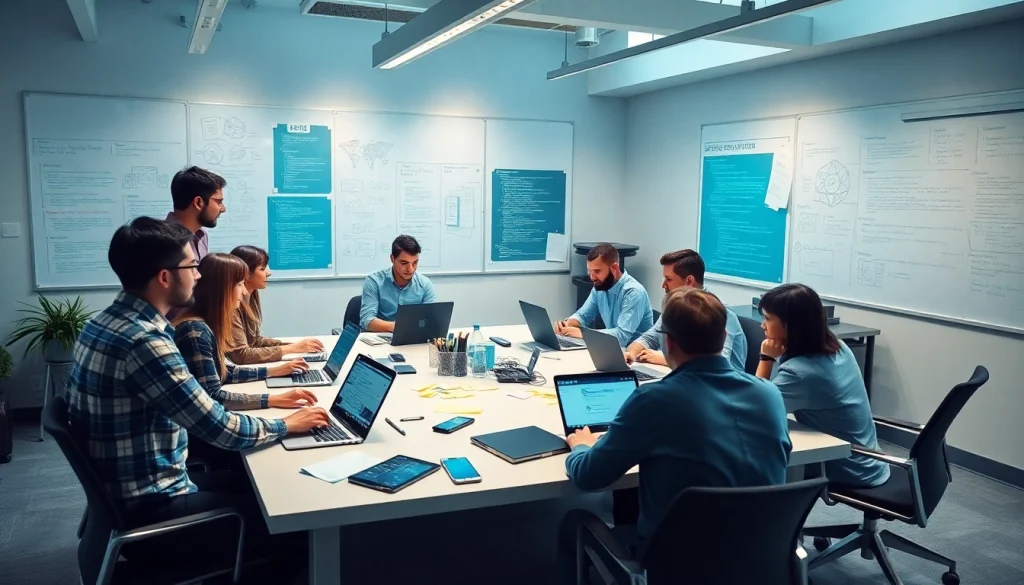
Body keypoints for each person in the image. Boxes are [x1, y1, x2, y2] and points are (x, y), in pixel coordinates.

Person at [65, 217, 328, 582]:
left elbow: (208, 389)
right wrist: (286, 425)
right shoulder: (145, 342)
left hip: (124, 495)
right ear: (164, 277)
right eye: (191, 266)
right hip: (156, 507)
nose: (199, 275)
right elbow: (219, 427)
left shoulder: (102, 324)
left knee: (264, 482)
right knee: (297, 514)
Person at [557, 288, 791, 584]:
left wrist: (581, 448)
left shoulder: (652, 401)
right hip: (762, 557)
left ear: (667, 342)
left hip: (680, 565)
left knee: (573, 522)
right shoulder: (770, 394)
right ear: (722, 337)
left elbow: (589, 478)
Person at [172, 253, 316, 468]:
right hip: (203, 441)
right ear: (222, 288)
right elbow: (213, 397)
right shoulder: (195, 330)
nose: (243, 291)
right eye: (239, 284)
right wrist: (272, 402)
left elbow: (223, 372)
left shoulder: (201, 323)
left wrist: (272, 372)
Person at [756, 283, 890, 488]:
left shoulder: (800, 372)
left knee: (754, 460)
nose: (762, 325)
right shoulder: (837, 346)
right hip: (870, 459)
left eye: (767, 318)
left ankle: (780, 518)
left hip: (844, 467)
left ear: (791, 325)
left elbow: (755, 409)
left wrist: (766, 358)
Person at [624, 249, 747, 371]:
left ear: (689, 281)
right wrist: (631, 354)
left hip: (724, 386)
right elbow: (650, 338)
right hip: (689, 376)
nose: (663, 285)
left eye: (669, 279)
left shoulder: (719, 312)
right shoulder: (675, 306)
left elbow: (719, 362)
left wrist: (665, 358)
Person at [227, 245, 324, 364]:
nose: (268, 273)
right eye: (262, 269)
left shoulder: (251, 297)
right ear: (246, 273)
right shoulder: (232, 306)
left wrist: (296, 346)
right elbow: (241, 355)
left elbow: (254, 341)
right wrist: (292, 348)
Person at [555, 243, 653, 346]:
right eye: (589, 271)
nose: (592, 277)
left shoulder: (634, 292)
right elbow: (583, 316)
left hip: (637, 356)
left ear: (614, 268)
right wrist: (567, 324)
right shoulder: (600, 286)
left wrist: (582, 333)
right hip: (612, 350)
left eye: (597, 271)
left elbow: (621, 336)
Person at [165, 166, 226, 321]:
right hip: (172, 332)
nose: (223, 209)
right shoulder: (163, 240)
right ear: (198, 202)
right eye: (218, 201)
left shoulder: (202, 236)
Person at [360, 235, 437, 332]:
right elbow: (367, 320)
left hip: (411, 340)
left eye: (415, 263)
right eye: (404, 263)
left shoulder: (425, 284)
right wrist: (399, 327)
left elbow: (430, 319)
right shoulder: (374, 281)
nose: (410, 269)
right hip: (380, 339)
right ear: (392, 259)